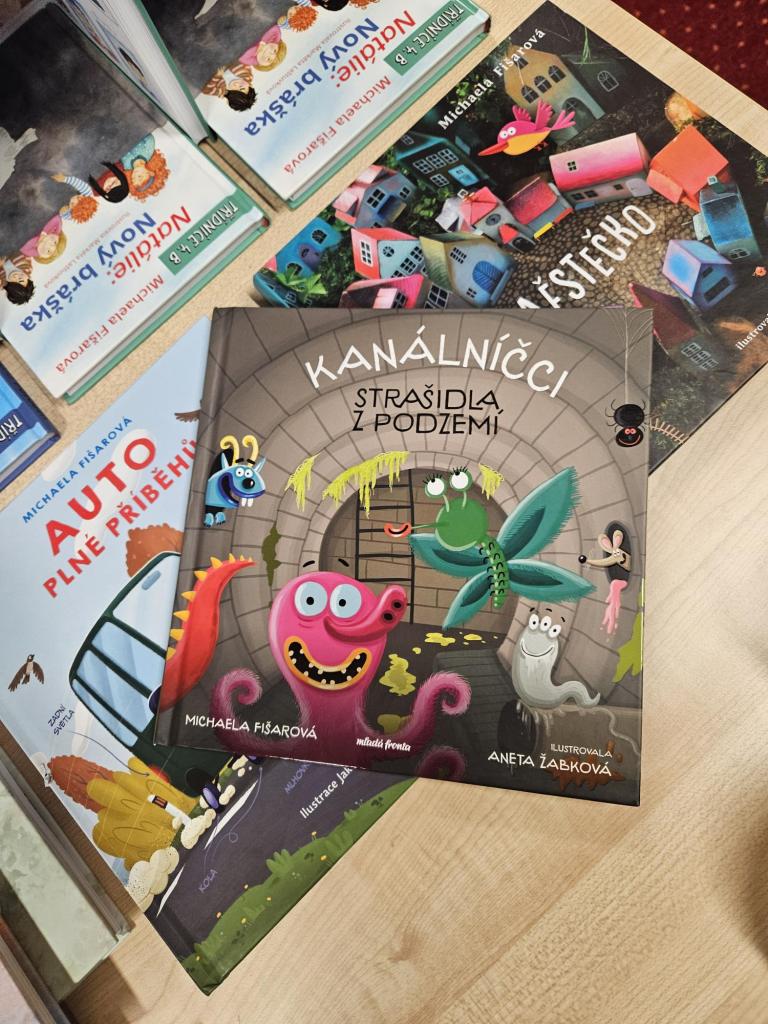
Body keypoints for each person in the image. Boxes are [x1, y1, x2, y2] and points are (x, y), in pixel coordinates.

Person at [120, 134, 170, 200]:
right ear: (150, 173)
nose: (135, 174)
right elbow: (144, 131)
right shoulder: (148, 149)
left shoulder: (124, 166)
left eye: (133, 179)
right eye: (139, 176)